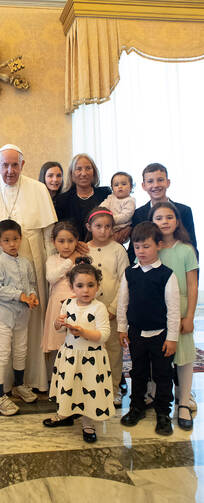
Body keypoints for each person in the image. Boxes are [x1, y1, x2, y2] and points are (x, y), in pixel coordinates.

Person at [0, 144, 57, 392]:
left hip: (32, 259)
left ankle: (29, 380)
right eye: (5, 165)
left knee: (30, 320)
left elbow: (49, 232)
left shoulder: (39, 189)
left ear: (23, 165)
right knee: (2, 324)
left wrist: (50, 266)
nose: (10, 170)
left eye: (15, 164)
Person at [118, 222, 180, 436]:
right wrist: (121, 329)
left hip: (161, 335)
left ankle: (163, 413)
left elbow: (173, 309)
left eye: (146, 246)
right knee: (138, 372)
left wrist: (172, 338)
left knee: (163, 375)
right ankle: (137, 407)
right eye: (137, 247)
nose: (141, 252)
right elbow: (122, 303)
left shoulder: (166, 275)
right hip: (136, 333)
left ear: (159, 245)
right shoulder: (130, 273)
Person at [43, 257, 114, 443]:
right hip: (70, 355)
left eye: (90, 285)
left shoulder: (99, 308)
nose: (85, 290)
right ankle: (64, 413)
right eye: (80, 285)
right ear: (72, 287)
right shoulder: (68, 303)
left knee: (88, 388)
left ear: (97, 286)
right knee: (69, 386)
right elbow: (59, 327)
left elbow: (104, 334)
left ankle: (87, 422)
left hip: (91, 357)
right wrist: (57, 323)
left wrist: (84, 332)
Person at [150, 202, 199, 430]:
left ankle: (184, 402)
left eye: (169, 217)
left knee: (184, 356)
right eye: (159, 218)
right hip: (158, 310)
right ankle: (161, 399)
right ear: (152, 223)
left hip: (181, 309)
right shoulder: (152, 250)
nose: (165, 222)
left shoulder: (186, 249)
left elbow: (192, 284)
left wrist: (189, 316)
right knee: (160, 356)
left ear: (177, 221)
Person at [0, 219, 39, 415]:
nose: (12, 244)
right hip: (3, 316)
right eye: (7, 240)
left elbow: (31, 283)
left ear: (21, 239)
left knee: (20, 351)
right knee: (2, 354)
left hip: (22, 316)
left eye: (15, 239)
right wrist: (19, 295)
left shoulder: (25, 262)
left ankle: (19, 386)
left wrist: (32, 295)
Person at [85, 207, 129, 408]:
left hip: (113, 311)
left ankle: (113, 389)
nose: (103, 231)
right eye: (98, 226)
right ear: (89, 227)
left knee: (113, 351)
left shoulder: (118, 249)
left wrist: (113, 308)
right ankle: (91, 387)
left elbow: (125, 281)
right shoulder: (84, 249)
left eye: (107, 227)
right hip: (90, 313)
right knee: (91, 350)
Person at [127, 163, 198, 263]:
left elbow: (192, 246)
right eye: (150, 181)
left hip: (178, 267)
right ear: (144, 186)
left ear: (168, 182)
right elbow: (133, 249)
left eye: (160, 180)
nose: (156, 185)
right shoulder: (138, 214)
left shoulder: (184, 211)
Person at [42, 221, 79, 370]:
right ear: (54, 242)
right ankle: (58, 381)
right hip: (57, 306)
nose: (66, 246)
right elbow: (51, 277)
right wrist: (71, 260)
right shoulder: (52, 260)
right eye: (61, 241)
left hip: (77, 306)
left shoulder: (81, 259)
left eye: (70, 241)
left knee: (75, 343)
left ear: (77, 241)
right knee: (59, 345)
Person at [54, 154, 112, 242]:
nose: (84, 173)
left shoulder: (105, 194)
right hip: (73, 249)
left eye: (88, 168)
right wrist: (76, 244)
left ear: (94, 172)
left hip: (104, 246)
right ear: (72, 174)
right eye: (78, 169)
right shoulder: (62, 200)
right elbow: (59, 231)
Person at [100, 172, 136, 243]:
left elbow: (125, 216)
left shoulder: (130, 201)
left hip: (120, 228)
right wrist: (100, 213)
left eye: (124, 184)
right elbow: (102, 207)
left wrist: (109, 219)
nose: (120, 186)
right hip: (109, 225)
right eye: (116, 185)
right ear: (112, 188)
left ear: (131, 187)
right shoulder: (111, 197)